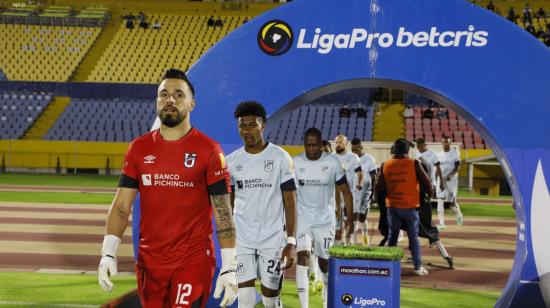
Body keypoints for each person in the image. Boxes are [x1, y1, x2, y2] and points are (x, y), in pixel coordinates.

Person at [97, 68, 238, 307]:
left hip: (193, 262)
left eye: (178, 94)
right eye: (164, 94)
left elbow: (223, 212)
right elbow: (122, 206)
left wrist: (230, 266)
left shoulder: (209, 151)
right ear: (156, 101)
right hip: (149, 265)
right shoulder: (138, 149)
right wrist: (108, 252)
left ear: (192, 104)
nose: (170, 99)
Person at [226, 101, 297, 308]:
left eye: (252, 124)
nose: (247, 130)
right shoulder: (231, 162)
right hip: (243, 239)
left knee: (269, 299)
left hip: (272, 239)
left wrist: (291, 241)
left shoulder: (280, 158)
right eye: (242, 125)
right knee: (245, 300)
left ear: (263, 125)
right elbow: (228, 204)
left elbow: (290, 202)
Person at [294, 128, 353, 308]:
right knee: (303, 256)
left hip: (325, 220)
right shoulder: (295, 162)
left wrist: (350, 218)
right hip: (303, 219)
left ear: (321, 145)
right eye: (307, 145)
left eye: (314, 145)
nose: (311, 148)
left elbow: (345, 191)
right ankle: (304, 306)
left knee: (324, 263)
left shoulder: (332, 162)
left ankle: (326, 302)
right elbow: (289, 194)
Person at [375, 138, 433, 276]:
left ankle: (390, 266)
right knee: (413, 237)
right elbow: (427, 182)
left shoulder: (385, 164)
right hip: (410, 207)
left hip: (393, 207)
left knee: (393, 236)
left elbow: (378, 187)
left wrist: (380, 202)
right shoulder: (414, 163)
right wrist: (429, 195)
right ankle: (418, 267)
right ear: (407, 150)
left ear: (393, 150)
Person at [333, 134, 363, 245]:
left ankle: (348, 241)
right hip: (335, 194)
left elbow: (360, 173)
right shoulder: (331, 157)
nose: (338, 144)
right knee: (337, 219)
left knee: (349, 219)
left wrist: (358, 184)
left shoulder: (353, 157)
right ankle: (339, 243)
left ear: (346, 143)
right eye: (336, 142)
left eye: (341, 142)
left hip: (349, 193)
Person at [350, 138, 377, 246]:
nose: (353, 150)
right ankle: (353, 241)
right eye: (352, 148)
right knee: (353, 217)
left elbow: (374, 176)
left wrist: (374, 193)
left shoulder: (370, 159)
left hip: (366, 192)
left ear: (360, 147)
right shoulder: (350, 159)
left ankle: (364, 237)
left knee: (362, 217)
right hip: (353, 192)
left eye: (355, 148)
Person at [435, 136, 464, 229]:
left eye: (447, 142)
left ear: (450, 143)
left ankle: (459, 214)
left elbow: (457, 167)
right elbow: (437, 169)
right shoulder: (439, 155)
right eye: (444, 142)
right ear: (442, 143)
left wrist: (450, 175)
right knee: (440, 200)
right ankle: (442, 223)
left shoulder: (455, 153)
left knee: (452, 202)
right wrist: (435, 181)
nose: (445, 144)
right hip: (441, 180)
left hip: (451, 180)